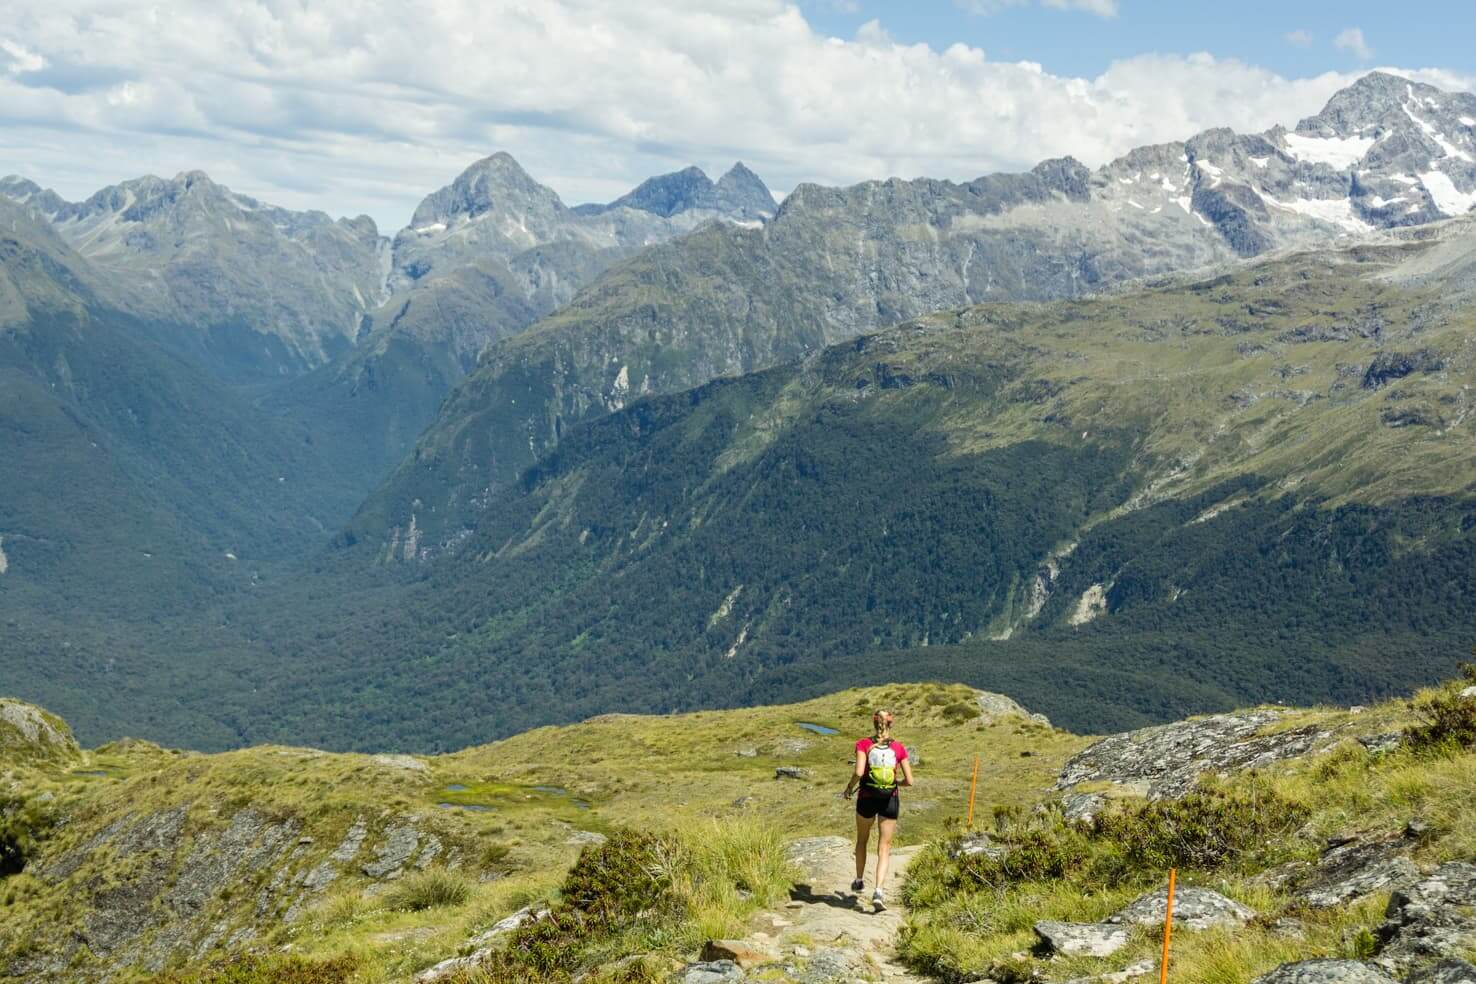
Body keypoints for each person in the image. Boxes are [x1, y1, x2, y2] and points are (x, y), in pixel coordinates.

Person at [843, 708, 913, 909]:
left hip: (866, 797)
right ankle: (879, 891)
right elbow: (910, 780)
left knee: (862, 840)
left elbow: (858, 771)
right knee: (884, 847)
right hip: (889, 799)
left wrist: (849, 788)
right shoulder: (899, 748)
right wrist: (896, 782)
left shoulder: (863, 744)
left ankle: (858, 880)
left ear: (874, 723)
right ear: (891, 723)